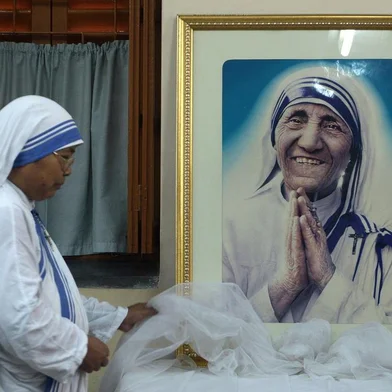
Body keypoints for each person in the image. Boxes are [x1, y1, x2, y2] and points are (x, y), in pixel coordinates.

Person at [0, 95, 156, 392]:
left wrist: (119, 316)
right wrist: (79, 349)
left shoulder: (20, 207)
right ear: (29, 151)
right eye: (65, 156)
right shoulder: (7, 211)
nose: (69, 170)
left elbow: (50, 297)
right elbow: (19, 317)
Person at [223, 64, 392, 324]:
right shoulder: (229, 229)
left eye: (332, 125)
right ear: (273, 137)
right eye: (296, 119)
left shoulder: (377, 246)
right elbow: (211, 340)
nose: (310, 141)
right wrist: (286, 286)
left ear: (354, 153)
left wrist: (327, 277)